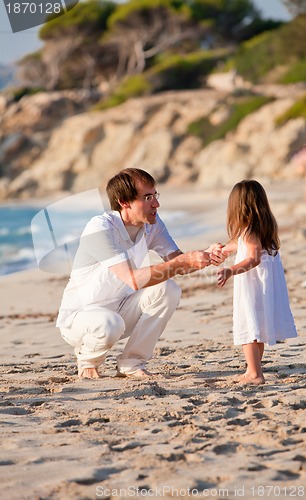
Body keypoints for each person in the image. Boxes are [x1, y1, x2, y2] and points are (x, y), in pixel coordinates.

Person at [57, 168, 224, 379]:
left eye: (155, 195)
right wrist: (184, 260)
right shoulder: (100, 227)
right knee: (110, 323)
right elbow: (133, 279)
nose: (156, 204)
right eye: (147, 197)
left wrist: (205, 256)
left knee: (168, 289)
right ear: (123, 202)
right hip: (80, 318)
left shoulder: (151, 223)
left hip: (122, 308)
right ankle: (88, 360)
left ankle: (131, 362)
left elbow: (177, 263)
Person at [217, 180, 298, 385]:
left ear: (238, 207)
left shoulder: (250, 231)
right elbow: (240, 243)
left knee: (248, 326)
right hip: (263, 287)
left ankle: (255, 374)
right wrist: (224, 249)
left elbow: (253, 258)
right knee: (257, 328)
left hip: (252, 286)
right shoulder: (259, 228)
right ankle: (252, 369)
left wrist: (230, 271)